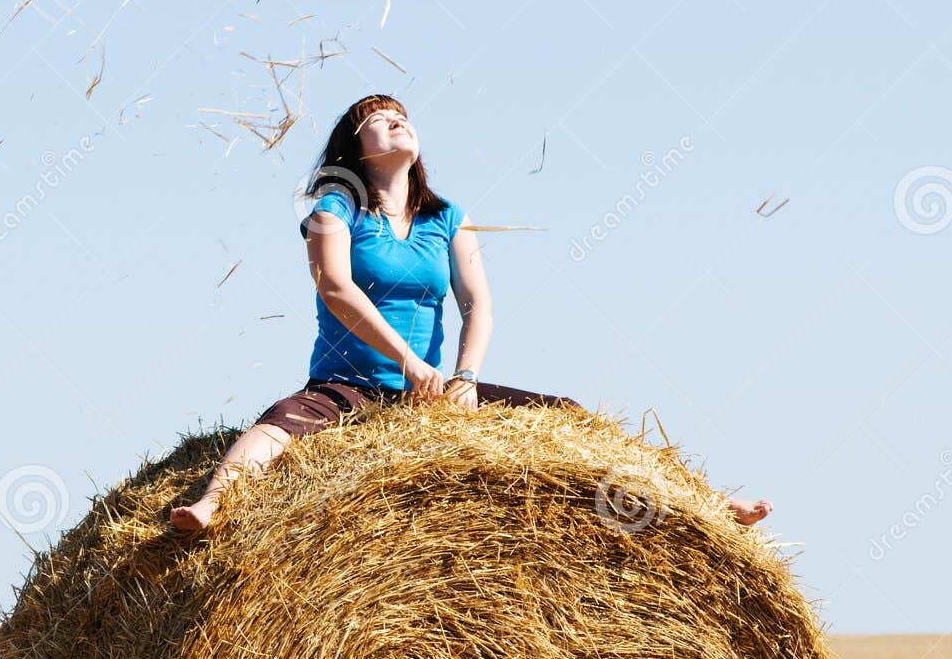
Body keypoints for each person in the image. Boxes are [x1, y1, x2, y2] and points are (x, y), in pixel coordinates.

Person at [169, 94, 773, 532]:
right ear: (356, 148)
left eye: (399, 113)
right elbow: (335, 286)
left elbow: (477, 303)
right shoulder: (336, 206)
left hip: (430, 393)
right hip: (349, 385)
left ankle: (705, 506)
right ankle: (212, 504)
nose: (394, 119)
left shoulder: (446, 217)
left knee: (569, 419)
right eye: (376, 119)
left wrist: (464, 378)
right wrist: (406, 361)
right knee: (277, 425)